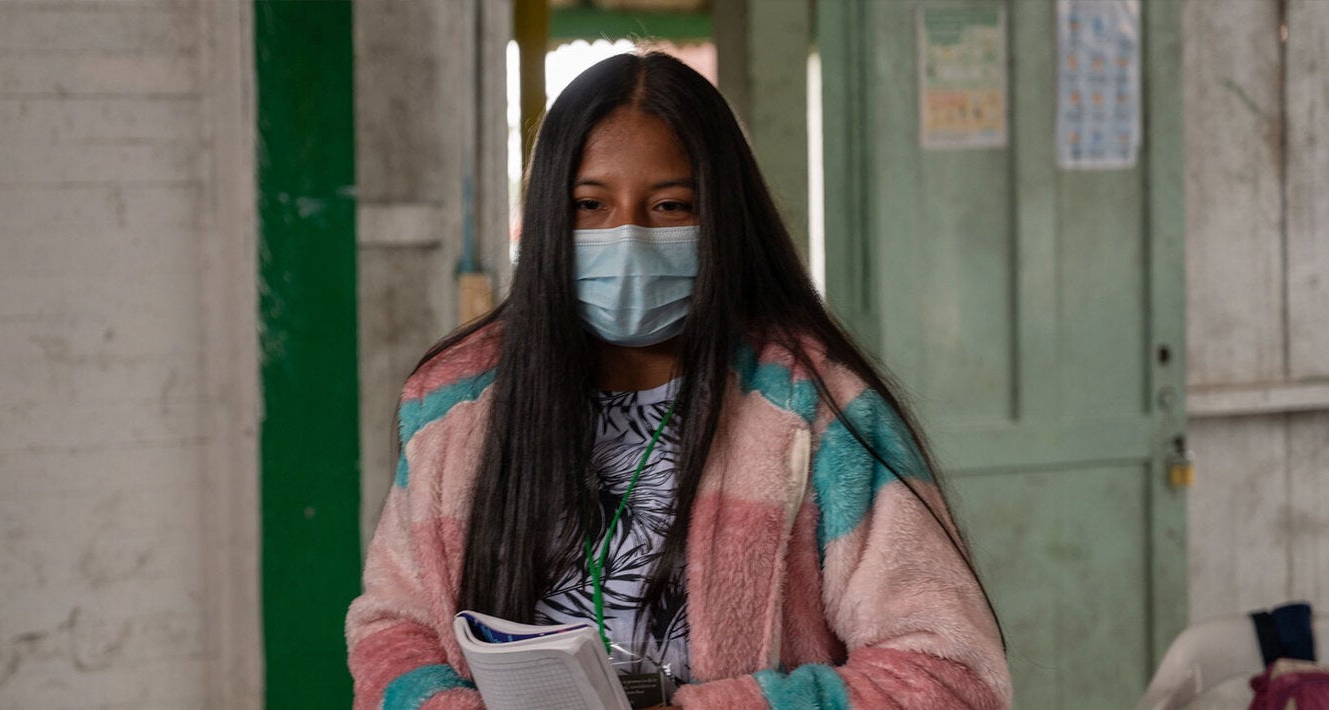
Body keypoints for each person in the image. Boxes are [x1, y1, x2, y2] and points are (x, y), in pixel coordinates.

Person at [345, 51, 1012, 710]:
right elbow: (393, 631)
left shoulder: (815, 411)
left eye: (669, 206)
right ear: (548, 215)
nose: (627, 238)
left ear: (722, 217)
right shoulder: (456, 404)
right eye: (590, 204)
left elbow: (948, 673)